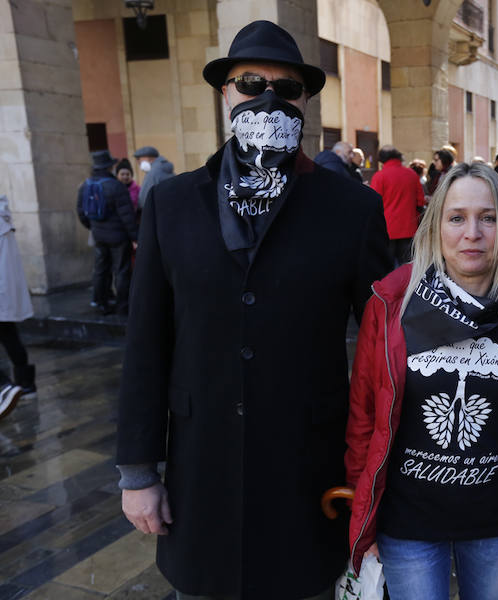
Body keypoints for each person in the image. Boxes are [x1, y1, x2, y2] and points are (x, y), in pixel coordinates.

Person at [115, 20, 391, 600]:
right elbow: (146, 341)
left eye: (286, 88)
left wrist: (378, 468)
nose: (267, 97)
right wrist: (139, 472)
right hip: (201, 462)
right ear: (225, 94)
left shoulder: (351, 208)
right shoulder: (171, 203)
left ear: (306, 101)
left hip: (305, 463)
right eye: (249, 82)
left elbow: (381, 346)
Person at [345, 162, 498, 600]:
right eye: (456, 217)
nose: (471, 232)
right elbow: (362, 414)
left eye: (487, 217)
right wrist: (365, 515)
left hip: (496, 525)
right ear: (435, 226)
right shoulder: (392, 302)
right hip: (407, 523)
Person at [76, 150, 139, 316]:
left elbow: (81, 213)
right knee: (122, 271)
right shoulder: (115, 186)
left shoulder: (85, 185)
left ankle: (99, 302)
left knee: (100, 269)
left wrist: (94, 227)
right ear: (110, 166)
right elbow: (127, 216)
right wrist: (135, 237)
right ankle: (122, 306)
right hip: (118, 237)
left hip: (99, 236)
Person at [0, 194, 35, 420]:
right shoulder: (3, 217)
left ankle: (5, 387)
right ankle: (25, 384)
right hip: (5, 293)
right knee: (9, 334)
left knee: (8, 334)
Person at [370, 145, 425, 266]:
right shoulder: (412, 174)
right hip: (408, 228)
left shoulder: (379, 176)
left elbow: (373, 204)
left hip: (386, 229)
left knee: (386, 268)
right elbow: (420, 201)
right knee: (407, 268)